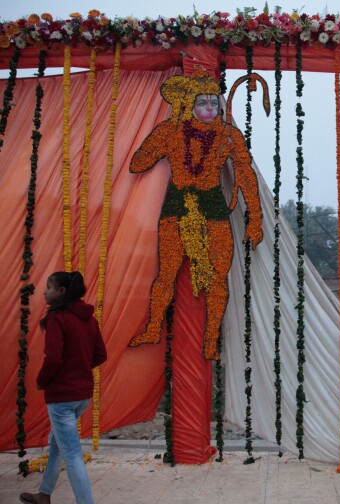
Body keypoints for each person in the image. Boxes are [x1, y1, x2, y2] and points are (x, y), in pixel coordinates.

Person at [127, 66, 266, 360]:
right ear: (189, 105)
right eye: (202, 102)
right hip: (176, 209)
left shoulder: (228, 136)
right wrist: (161, 138)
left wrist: (255, 219)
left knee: (217, 280)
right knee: (166, 275)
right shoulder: (171, 131)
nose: (209, 108)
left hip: (213, 209)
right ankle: (153, 328)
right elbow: (138, 163)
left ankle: (211, 340)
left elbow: (246, 175)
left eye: (214, 102)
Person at [20, 272, 107, 504]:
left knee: (73, 455)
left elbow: (54, 359)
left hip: (62, 398)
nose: (44, 292)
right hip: (82, 395)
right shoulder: (89, 319)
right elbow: (100, 355)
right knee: (58, 444)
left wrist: (41, 381)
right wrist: (78, 368)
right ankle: (44, 494)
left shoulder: (57, 319)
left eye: (48, 287)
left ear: (61, 292)